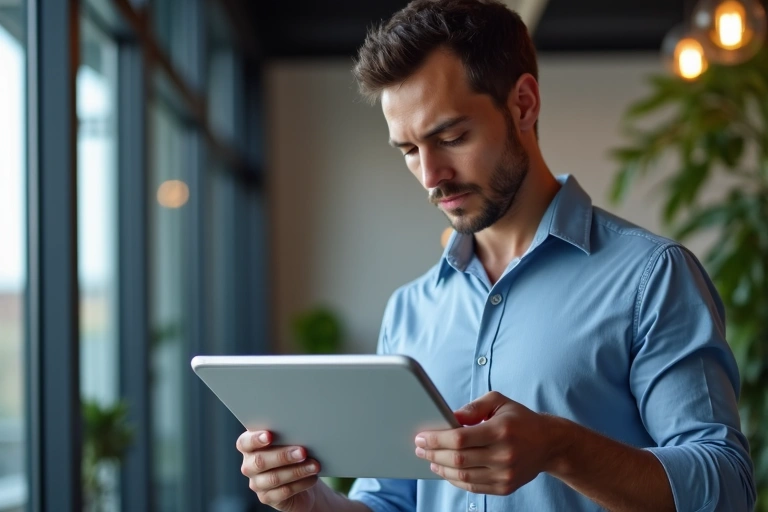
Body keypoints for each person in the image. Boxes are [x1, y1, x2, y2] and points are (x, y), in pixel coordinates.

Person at [237, 0, 756, 510]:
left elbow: (727, 487)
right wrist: (312, 501)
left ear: (524, 105)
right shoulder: (410, 310)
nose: (430, 176)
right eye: (410, 151)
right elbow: (392, 502)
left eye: (452, 136)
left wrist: (560, 447)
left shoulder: (652, 277)